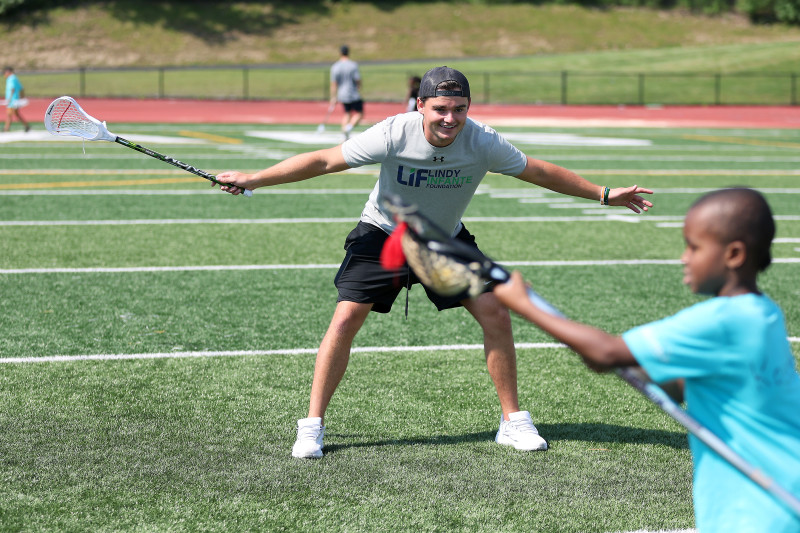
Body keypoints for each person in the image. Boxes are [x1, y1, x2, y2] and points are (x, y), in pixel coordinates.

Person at [214, 66, 654, 460]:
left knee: (496, 314)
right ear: (420, 105)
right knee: (346, 319)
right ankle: (311, 427)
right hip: (385, 232)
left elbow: (537, 171)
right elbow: (325, 160)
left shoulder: (482, 140)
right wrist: (255, 178)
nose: (450, 118)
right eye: (440, 108)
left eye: (459, 109)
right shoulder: (392, 132)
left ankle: (512, 421)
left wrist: (603, 193)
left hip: (443, 241)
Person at [493, 188, 800, 533]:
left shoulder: (722, 320)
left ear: (734, 254)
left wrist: (525, 306)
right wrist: (646, 372)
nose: (684, 258)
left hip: (755, 512)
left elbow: (605, 353)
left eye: (694, 248)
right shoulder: (763, 314)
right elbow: (690, 386)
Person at [329, 45, 363, 140]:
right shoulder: (353, 65)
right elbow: (357, 80)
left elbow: (333, 84)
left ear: (340, 53)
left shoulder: (335, 66)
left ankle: (344, 132)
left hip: (342, 94)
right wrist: (359, 87)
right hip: (353, 93)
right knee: (359, 113)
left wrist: (333, 97)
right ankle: (348, 128)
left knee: (347, 113)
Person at [3, 66, 30, 133]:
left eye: (5, 73)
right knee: (16, 114)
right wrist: (22, 97)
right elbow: (21, 88)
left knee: (9, 114)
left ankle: (6, 128)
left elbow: (12, 89)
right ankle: (26, 126)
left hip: (12, 100)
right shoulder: (14, 78)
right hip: (15, 99)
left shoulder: (11, 79)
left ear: (8, 72)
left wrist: (9, 99)